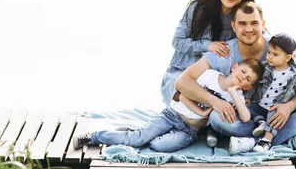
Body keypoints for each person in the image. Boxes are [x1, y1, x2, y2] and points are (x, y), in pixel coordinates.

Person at [175, 1, 296, 150]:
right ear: (233, 26)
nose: (249, 29)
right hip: (248, 116)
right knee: (216, 117)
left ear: (263, 24)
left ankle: (255, 142)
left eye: (254, 23)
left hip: (278, 111)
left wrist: (289, 107)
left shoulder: (278, 48)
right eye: (242, 24)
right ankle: (272, 139)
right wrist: (215, 101)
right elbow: (182, 83)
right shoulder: (224, 51)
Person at [72, 59, 263, 153]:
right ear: (234, 67)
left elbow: (245, 118)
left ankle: (136, 134)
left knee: (157, 145)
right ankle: (93, 137)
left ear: (248, 86)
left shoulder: (235, 96)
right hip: (172, 115)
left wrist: (232, 93)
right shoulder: (210, 76)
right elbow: (184, 95)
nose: (243, 77)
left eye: (248, 79)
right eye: (243, 71)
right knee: (139, 139)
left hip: (190, 130)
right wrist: (202, 111)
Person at [160, 0, 255, 107]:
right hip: (181, 72)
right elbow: (177, 41)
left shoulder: (241, 17)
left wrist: (284, 48)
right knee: (182, 98)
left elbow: (257, 36)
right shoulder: (199, 8)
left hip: (214, 80)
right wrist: (207, 45)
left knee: (222, 106)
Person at [229, 33, 296, 154]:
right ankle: (262, 125)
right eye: (269, 52)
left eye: (275, 55)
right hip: (259, 105)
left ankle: (264, 140)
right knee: (247, 108)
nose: (270, 57)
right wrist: (248, 98)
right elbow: (254, 85)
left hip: (275, 108)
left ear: (287, 58)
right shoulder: (266, 68)